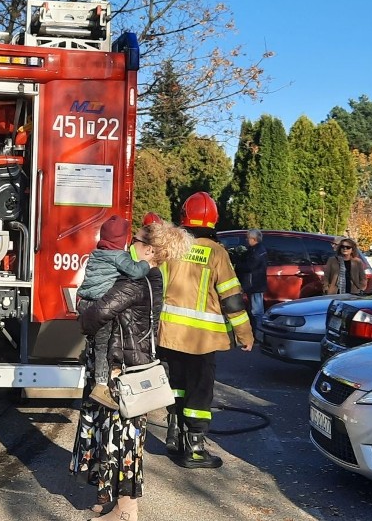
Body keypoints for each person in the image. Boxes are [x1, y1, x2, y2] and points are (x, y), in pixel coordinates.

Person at [71, 220, 190, 521]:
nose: (129, 245)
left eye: (135, 241)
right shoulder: (153, 277)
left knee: (122, 438)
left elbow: (93, 317)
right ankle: (107, 497)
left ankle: (126, 509)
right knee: (114, 435)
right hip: (124, 365)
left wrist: (81, 305)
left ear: (149, 249)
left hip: (121, 371)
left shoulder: (135, 283)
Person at [157, 192, 254, 469]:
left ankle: (174, 435)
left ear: (183, 218)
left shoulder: (172, 249)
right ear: (213, 220)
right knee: (199, 391)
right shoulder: (217, 253)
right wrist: (244, 334)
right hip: (201, 339)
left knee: (176, 385)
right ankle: (195, 448)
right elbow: (231, 298)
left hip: (169, 334)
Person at [77, 214, 151, 409]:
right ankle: (101, 387)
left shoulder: (96, 253)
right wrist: (147, 264)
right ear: (123, 240)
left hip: (84, 303)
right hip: (99, 306)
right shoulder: (119, 256)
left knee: (94, 345)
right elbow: (135, 272)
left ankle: (91, 370)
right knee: (104, 346)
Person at [234, 228, 267, 339]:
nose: (246, 240)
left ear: (253, 239)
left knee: (257, 312)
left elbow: (249, 266)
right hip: (253, 284)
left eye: (248, 238)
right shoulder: (254, 250)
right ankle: (257, 334)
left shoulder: (258, 252)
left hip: (255, 285)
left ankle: (260, 336)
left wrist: (237, 264)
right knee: (254, 311)